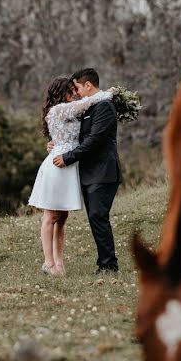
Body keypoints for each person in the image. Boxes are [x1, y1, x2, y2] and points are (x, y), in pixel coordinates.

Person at [29, 77, 114, 276]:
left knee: (63, 217)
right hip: (58, 164)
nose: (74, 93)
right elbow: (87, 102)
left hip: (69, 164)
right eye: (70, 90)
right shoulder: (58, 110)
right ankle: (49, 263)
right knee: (50, 216)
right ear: (60, 92)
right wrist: (109, 94)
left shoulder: (70, 110)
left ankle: (59, 263)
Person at [52, 68, 122, 274]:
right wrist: (56, 146)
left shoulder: (105, 107)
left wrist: (68, 157)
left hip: (103, 172)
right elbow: (79, 137)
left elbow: (95, 140)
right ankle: (105, 262)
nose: (77, 93)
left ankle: (109, 265)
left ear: (88, 85)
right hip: (90, 173)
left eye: (78, 88)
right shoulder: (89, 108)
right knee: (95, 217)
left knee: (98, 216)